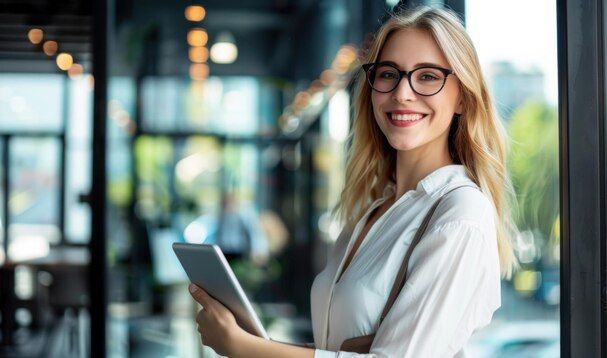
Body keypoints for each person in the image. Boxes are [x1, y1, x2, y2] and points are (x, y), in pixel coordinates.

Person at [188, 5, 518, 357]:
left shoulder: (460, 214)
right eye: (389, 74)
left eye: (427, 76)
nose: (402, 93)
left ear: (463, 99)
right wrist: (252, 341)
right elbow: (340, 348)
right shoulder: (375, 210)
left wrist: (244, 349)